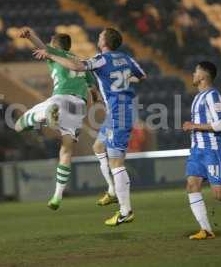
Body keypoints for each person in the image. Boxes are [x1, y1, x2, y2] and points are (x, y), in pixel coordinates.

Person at [34, 28, 146, 226]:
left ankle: (125, 211)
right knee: (98, 147)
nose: (98, 37)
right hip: (118, 112)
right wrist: (121, 80)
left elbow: (77, 67)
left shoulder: (102, 59)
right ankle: (112, 191)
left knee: (117, 163)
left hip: (119, 113)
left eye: (100, 35)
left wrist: (51, 55)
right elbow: (142, 76)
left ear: (104, 42)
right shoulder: (126, 58)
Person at [16, 27, 97, 210]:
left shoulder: (56, 53)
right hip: (78, 107)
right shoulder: (81, 62)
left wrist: (30, 35)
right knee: (66, 151)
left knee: (18, 126)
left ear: (56, 44)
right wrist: (94, 95)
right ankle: (57, 196)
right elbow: (94, 90)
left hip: (60, 99)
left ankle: (43, 116)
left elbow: (39, 45)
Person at [182, 61, 221, 240]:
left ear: (203, 76)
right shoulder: (198, 96)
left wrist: (194, 125)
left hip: (211, 150)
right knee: (192, 185)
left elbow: (220, 124)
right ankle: (206, 230)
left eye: (195, 71)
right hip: (197, 150)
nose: (193, 74)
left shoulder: (212, 95)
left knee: (220, 195)